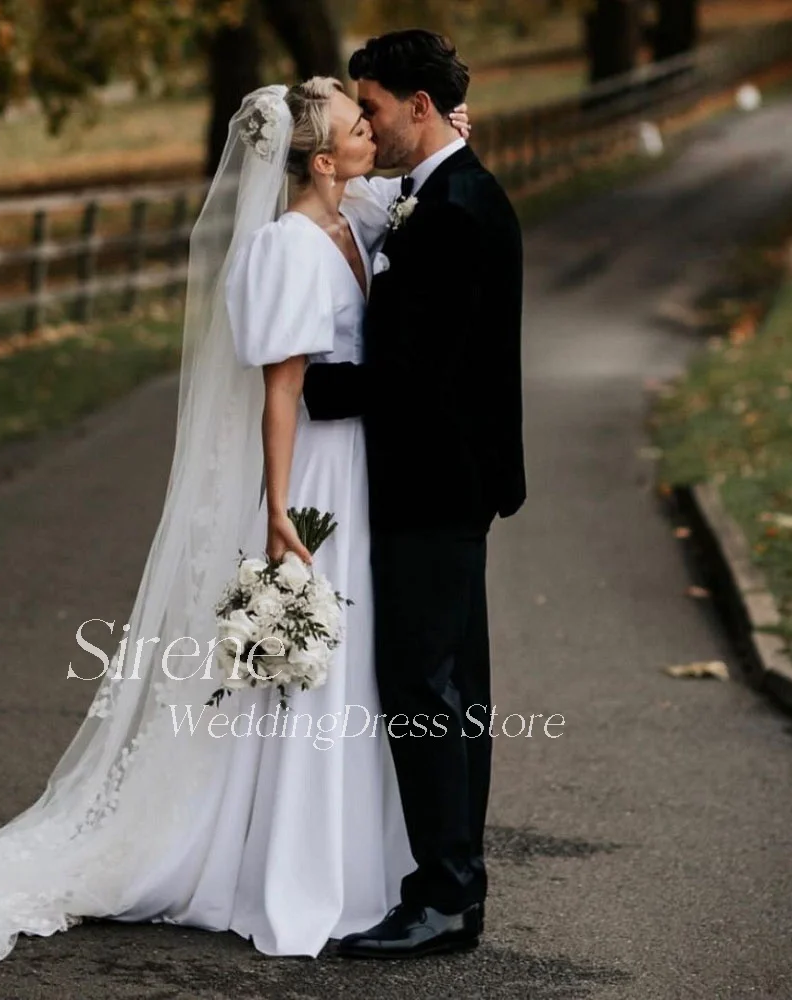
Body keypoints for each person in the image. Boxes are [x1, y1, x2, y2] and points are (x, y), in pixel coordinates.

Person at [0, 72, 475, 974]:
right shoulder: (290, 247)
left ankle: (367, 861)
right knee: (316, 673)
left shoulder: (355, 220)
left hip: (367, 470)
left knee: (358, 666)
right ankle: (297, 867)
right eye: (358, 124)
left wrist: (446, 132)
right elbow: (280, 389)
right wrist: (280, 509)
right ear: (322, 159)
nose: (374, 131)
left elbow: (417, 187)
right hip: (321, 470)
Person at [302, 29, 526, 958]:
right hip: (456, 481)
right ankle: (455, 887)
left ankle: (442, 898)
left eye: (378, 108)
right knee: (456, 689)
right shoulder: (451, 192)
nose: (371, 124)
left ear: (419, 108)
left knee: (423, 691)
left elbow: (414, 375)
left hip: (430, 484)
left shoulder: (448, 216)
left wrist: (314, 385)